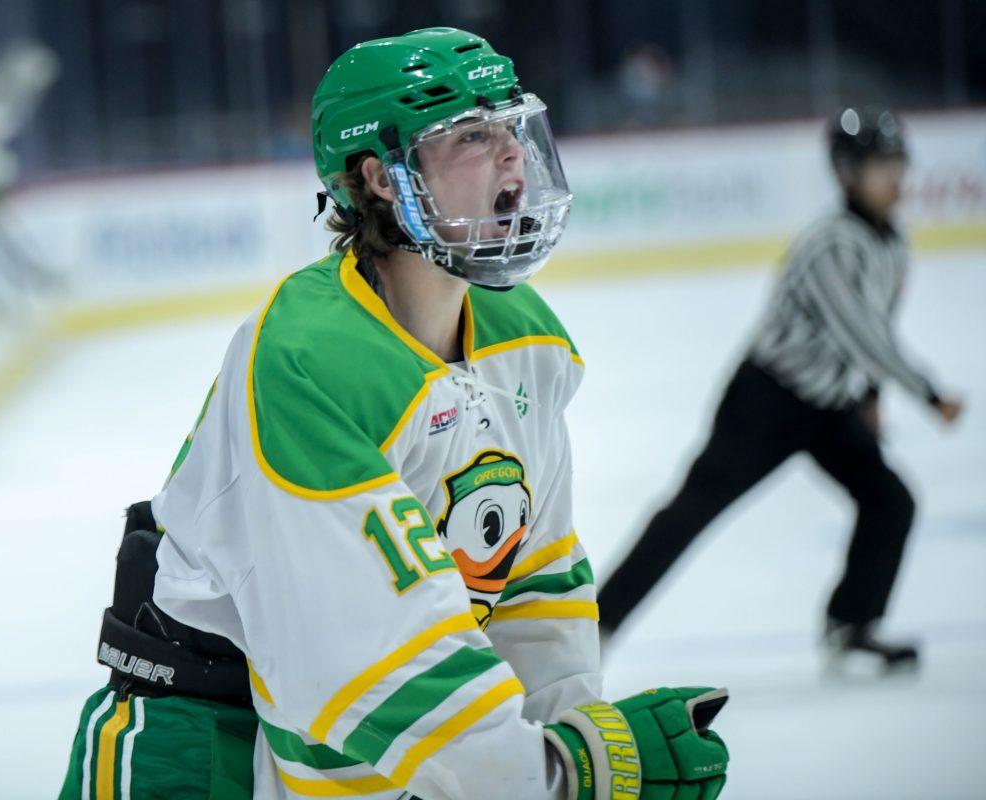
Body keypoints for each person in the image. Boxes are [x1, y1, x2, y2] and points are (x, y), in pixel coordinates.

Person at [58, 28, 729, 800]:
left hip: (375, 739)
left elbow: (533, 586)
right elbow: (354, 665)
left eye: (512, 126)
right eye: (473, 136)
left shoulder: (528, 339)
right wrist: (558, 780)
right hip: (203, 749)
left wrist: (569, 745)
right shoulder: (307, 358)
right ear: (382, 178)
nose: (513, 154)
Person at [597, 107, 964, 670]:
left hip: (827, 406)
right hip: (765, 403)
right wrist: (930, 393)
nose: (895, 177)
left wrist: (868, 399)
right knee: (691, 511)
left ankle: (852, 624)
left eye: (897, 163)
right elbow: (862, 333)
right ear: (846, 172)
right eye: (879, 165)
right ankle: (597, 624)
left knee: (891, 501)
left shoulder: (891, 243)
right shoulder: (830, 245)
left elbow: (873, 330)